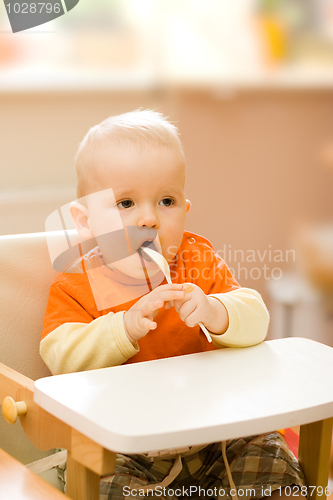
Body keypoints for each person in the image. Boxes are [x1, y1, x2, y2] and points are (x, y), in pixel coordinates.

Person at [40, 109, 305, 499]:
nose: (148, 218)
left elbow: (256, 317)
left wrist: (217, 311)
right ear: (85, 222)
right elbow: (59, 355)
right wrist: (123, 327)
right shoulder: (78, 282)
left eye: (166, 200)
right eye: (125, 203)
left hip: (218, 434)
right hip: (125, 446)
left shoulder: (198, 261)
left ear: (185, 210)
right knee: (102, 481)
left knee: (275, 461)